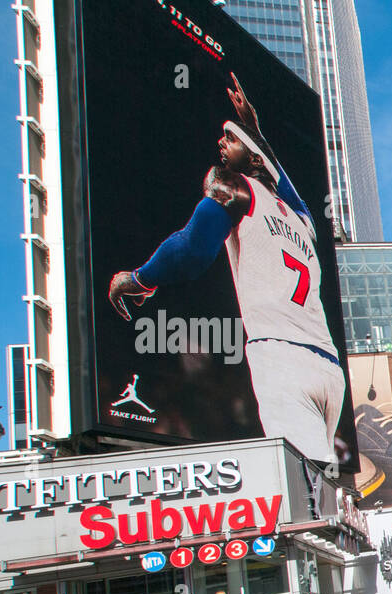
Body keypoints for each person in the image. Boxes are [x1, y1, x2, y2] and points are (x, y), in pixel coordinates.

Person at [107, 73, 344, 463]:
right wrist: (255, 130)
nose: (221, 141)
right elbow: (284, 182)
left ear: (252, 159)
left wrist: (138, 278)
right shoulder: (304, 222)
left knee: (308, 498)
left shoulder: (235, 186)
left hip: (282, 359)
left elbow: (192, 252)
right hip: (329, 368)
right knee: (321, 487)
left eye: (231, 138)